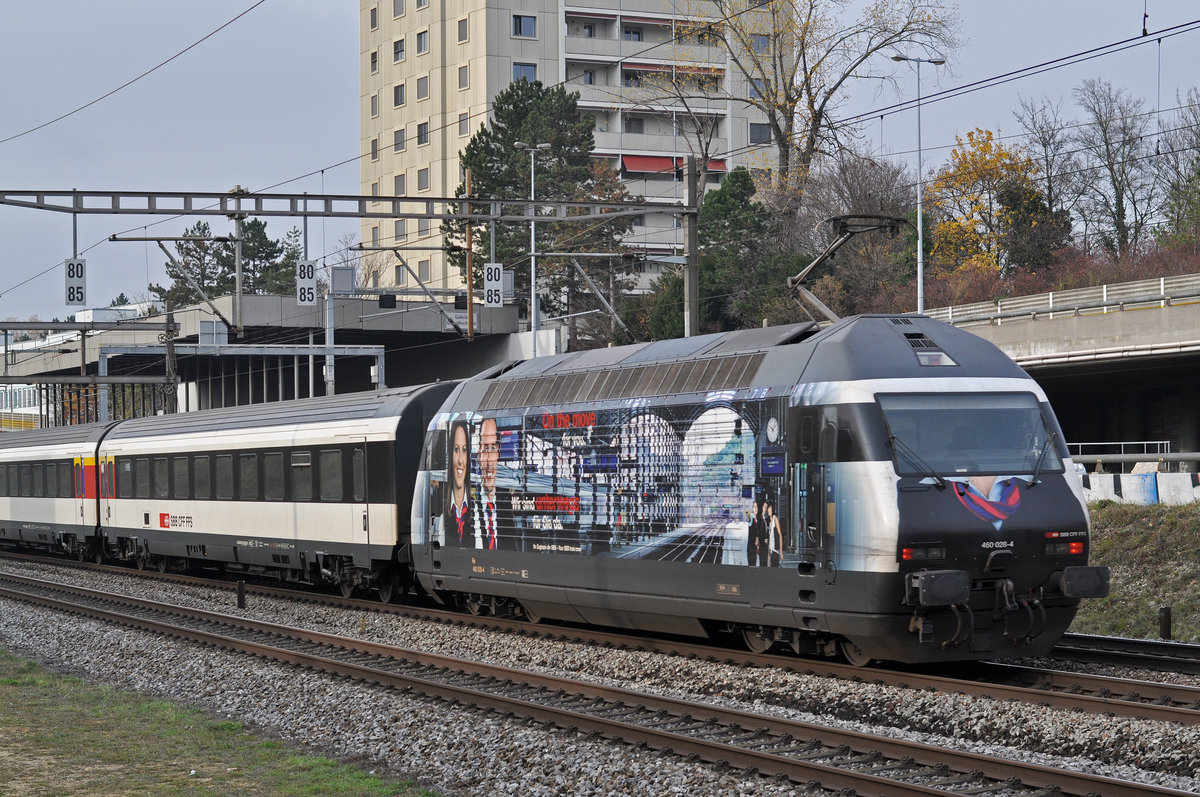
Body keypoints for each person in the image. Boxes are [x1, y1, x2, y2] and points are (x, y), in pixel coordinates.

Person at [475, 417, 515, 551]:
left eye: (493, 448)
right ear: (479, 455)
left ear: (498, 454)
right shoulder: (470, 503)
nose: (489, 461)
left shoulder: (507, 503)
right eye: (485, 449)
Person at [442, 420, 475, 547]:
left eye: (464, 450)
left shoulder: (477, 510)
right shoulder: (441, 514)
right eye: (456, 450)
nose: (460, 460)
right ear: (450, 455)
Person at [764, 500, 784, 567]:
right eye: (767, 508)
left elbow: (780, 535)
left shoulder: (775, 519)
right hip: (770, 550)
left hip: (775, 551)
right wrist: (768, 555)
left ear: (772, 508)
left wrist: (781, 551)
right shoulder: (768, 521)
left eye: (769, 508)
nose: (768, 510)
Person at [745, 497, 763, 567]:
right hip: (751, 547)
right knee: (752, 565)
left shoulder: (760, 519)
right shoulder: (751, 519)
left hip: (759, 547)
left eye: (756, 507)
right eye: (754, 507)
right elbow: (747, 514)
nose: (755, 509)